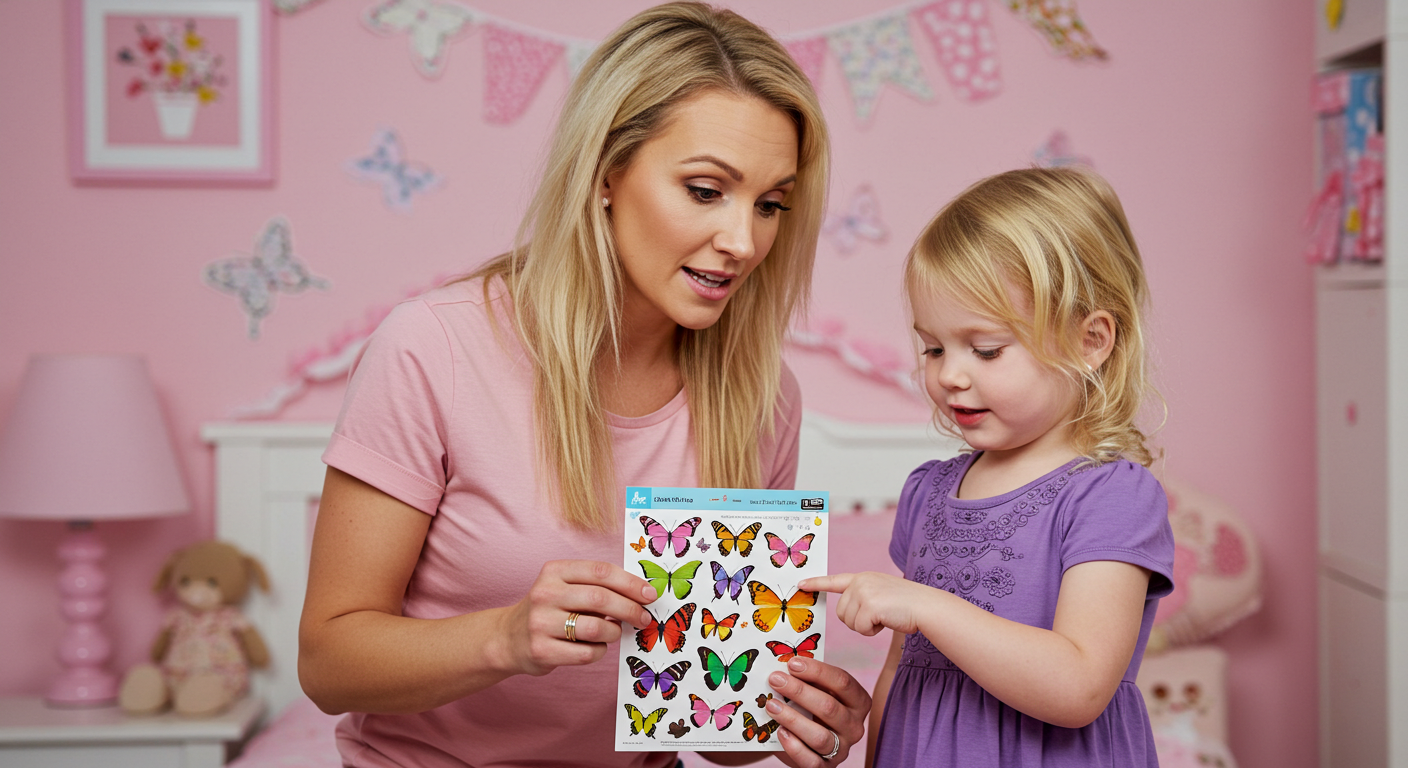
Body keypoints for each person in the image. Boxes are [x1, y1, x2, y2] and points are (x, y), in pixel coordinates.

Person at [297, 4, 870, 767]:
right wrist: (503, 638)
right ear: (606, 173)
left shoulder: (763, 398)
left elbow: (712, 732)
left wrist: (788, 718)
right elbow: (328, 665)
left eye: (771, 205)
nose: (744, 241)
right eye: (706, 190)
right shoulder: (433, 349)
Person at [803, 167, 1176, 767]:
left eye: (986, 350)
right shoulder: (929, 492)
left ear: (1090, 341)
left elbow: (1079, 685)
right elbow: (899, 673)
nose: (950, 374)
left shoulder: (1112, 496)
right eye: (933, 348)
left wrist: (926, 605)